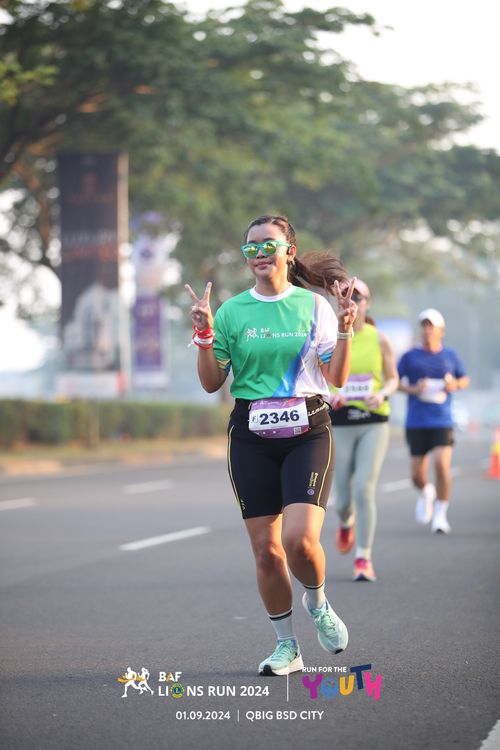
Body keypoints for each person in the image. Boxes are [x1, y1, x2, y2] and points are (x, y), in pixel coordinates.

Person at [185, 214, 357, 676]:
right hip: (250, 434)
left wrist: (344, 328)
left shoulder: (313, 306)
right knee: (266, 550)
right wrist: (205, 335)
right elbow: (211, 383)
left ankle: (317, 602)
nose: (259, 254)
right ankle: (287, 648)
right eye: (251, 247)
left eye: (268, 245)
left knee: (299, 540)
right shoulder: (232, 311)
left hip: (308, 430)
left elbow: (337, 377)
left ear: (289, 252)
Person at [326, 279, 399, 582]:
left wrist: (381, 395)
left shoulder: (380, 339)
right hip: (341, 422)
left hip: (373, 421)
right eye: (346, 296)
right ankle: (346, 522)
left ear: (368, 304)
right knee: (342, 498)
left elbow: (393, 379)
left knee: (363, 489)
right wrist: (330, 395)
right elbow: (318, 378)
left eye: (359, 297)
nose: (353, 301)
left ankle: (363, 557)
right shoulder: (329, 336)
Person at [397, 308, 470, 534]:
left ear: (441, 331)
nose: (427, 330)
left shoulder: (450, 356)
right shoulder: (410, 357)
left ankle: (440, 515)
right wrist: (413, 389)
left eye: (432, 326)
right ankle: (426, 491)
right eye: (424, 326)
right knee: (416, 476)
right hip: (416, 421)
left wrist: (454, 385)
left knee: (441, 466)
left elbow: (464, 379)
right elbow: (395, 382)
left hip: (442, 420)